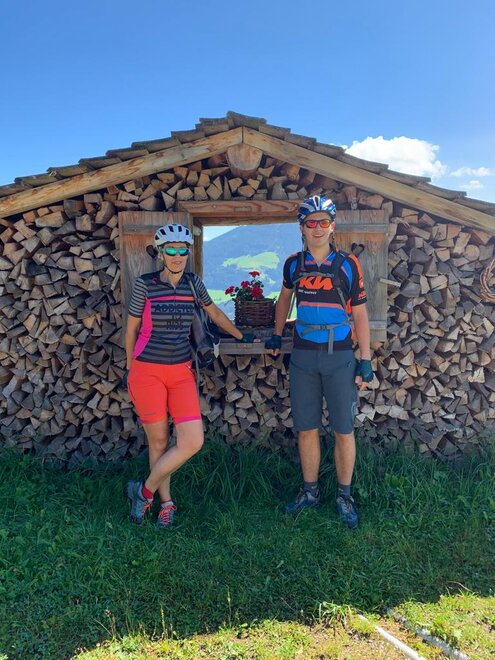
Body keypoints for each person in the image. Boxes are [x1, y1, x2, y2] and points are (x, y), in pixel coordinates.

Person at [124, 223, 252, 528]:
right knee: (159, 442)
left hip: (181, 371)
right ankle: (166, 504)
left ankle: (143, 492)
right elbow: (131, 328)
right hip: (147, 371)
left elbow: (214, 313)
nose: (177, 254)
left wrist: (240, 336)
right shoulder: (145, 285)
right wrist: (131, 368)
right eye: (171, 249)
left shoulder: (194, 283)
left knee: (193, 441)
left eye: (182, 249)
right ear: (161, 252)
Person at [265, 196, 374, 528]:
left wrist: (365, 359)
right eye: (310, 222)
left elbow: (360, 313)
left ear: (332, 226)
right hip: (303, 355)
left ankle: (344, 495)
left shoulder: (347, 264)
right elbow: (285, 299)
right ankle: (310, 492)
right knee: (306, 428)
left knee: (343, 429)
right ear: (302, 227)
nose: (317, 228)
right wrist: (276, 334)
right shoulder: (293, 265)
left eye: (323, 222)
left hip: (339, 355)